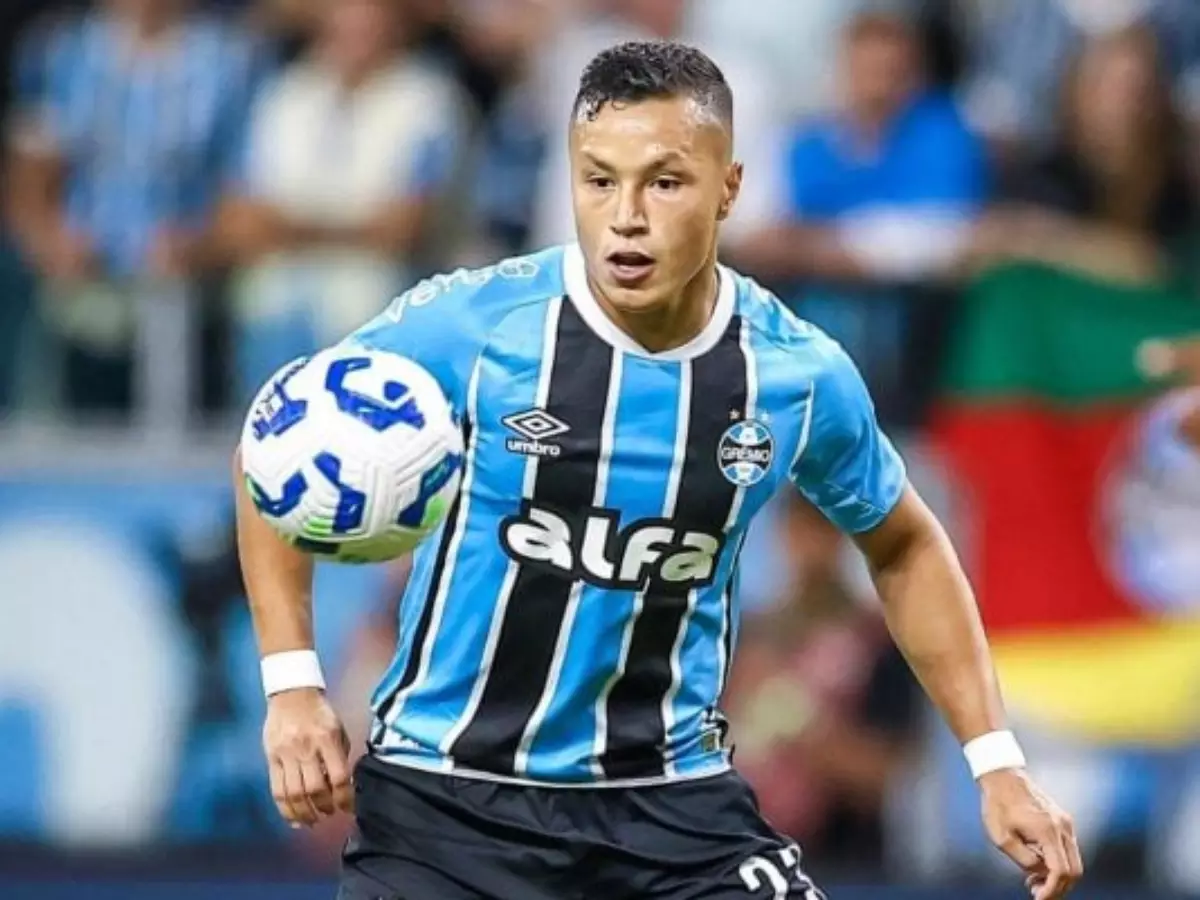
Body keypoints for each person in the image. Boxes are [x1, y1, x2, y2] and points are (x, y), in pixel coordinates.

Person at [234, 40, 1084, 899]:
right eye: (599, 181)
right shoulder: (476, 323)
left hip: (672, 811)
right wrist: (293, 685)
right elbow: (271, 446)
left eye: (665, 182)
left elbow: (903, 543)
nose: (626, 216)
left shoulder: (794, 373)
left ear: (729, 189)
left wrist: (996, 763)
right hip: (446, 810)